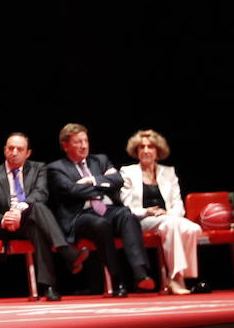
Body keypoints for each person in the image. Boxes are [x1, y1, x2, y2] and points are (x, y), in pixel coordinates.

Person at [47, 123, 154, 297]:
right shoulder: (56, 168)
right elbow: (72, 191)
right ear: (65, 145)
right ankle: (117, 280)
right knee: (100, 224)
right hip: (81, 216)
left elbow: (118, 180)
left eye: (85, 141)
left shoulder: (100, 160)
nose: (83, 146)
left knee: (127, 215)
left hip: (108, 208)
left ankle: (140, 273)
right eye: (77, 142)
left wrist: (91, 181)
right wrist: (104, 184)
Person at [0, 132, 87, 301]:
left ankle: (49, 287)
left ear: (28, 153)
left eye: (19, 149)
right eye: (11, 148)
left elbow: (41, 194)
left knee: (37, 219)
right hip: (7, 228)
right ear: (4, 150)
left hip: (30, 219)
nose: (14, 152)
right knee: (37, 213)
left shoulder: (38, 168)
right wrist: (4, 220)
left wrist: (19, 210)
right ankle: (66, 253)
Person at [120, 129, 201, 295]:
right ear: (136, 151)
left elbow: (178, 204)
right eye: (141, 147)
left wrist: (168, 214)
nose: (146, 150)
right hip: (142, 220)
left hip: (167, 218)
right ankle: (175, 278)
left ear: (158, 151)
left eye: (150, 147)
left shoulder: (169, 172)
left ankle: (183, 275)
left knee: (193, 229)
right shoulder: (128, 172)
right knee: (172, 226)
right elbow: (127, 207)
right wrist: (147, 212)